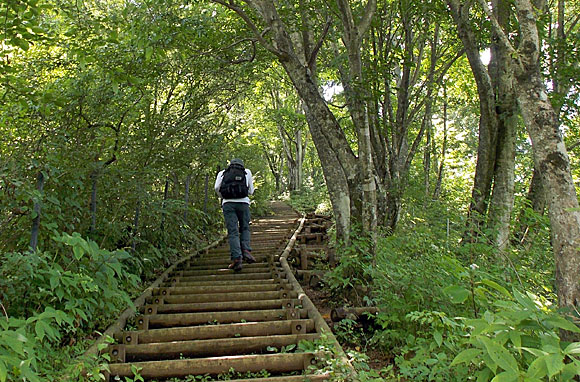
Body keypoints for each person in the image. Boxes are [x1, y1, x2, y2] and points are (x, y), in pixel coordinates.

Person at [214, 158, 256, 271]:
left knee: (233, 232)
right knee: (245, 228)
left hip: (228, 204)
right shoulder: (247, 172)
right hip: (243, 203)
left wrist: (224, 197)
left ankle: (237, 258)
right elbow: (251, 191)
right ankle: (246, 250)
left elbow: (217, 188)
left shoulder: (222, 173)